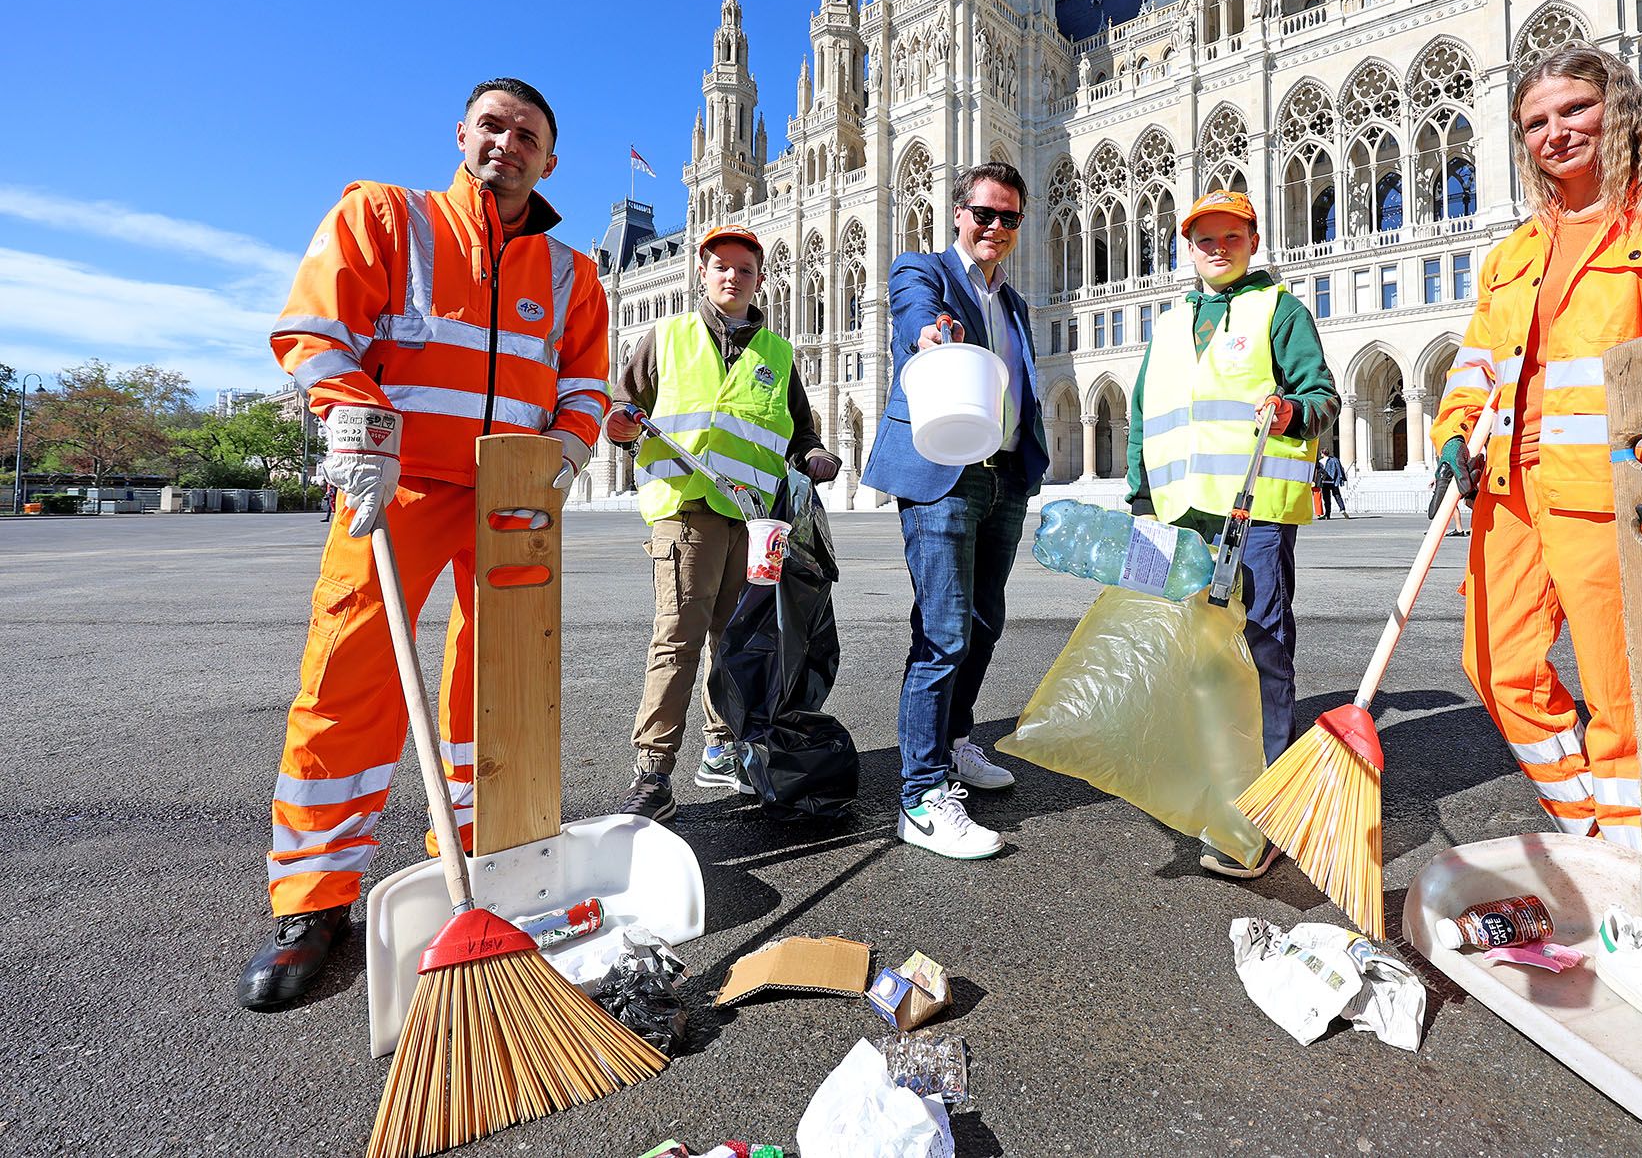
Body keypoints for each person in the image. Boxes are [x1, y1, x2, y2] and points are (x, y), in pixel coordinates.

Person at [240, 79, 610, 1011]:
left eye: (528, 134)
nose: (508, 144)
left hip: (508, 493)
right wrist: (356, 419)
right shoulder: (387, 218)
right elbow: (315, 330)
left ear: (549, 160)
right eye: (493, 125)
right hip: (396, 483)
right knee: (350, 680)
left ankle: (486, 856)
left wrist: (567, 444)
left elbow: (586, 380)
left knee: (501, 688)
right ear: (462, 134)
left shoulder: (572, 273)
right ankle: (316, 901)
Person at [1429, 44, 1642, 851]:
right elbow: (1476, 365)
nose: (1556, 131)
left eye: (1574, 108)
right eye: (1536, 121)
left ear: (1617, 108)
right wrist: (1451, 433)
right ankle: (1590, 828)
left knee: (1624, 689)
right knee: (1499, 670)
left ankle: (1632, 858)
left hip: (1616, 487)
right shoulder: (1514, 251)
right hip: (1509, 488)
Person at [1126, 190, 1338, 878]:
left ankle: (1270, 802)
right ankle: (1221, 782)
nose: (1217, 247)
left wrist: (1290, 411)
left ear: (1252, 238)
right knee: (1202, 657)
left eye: (1231, 236)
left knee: (1264, 648)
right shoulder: (1167, 325)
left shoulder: (1280, 309)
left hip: (1257, 514)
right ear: (1187, 247)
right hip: (1182, 516)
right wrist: (1140, 499)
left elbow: (1322, 396)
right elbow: (1144, 418)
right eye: (1203, 238)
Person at [603, 224, 841, 820]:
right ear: (702, 274)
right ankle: (653, 772)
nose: (733, 276)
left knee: (734, 642)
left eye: (745, 268)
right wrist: (620, 426)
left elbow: (799, 430)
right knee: (677, 639)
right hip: (686, 509)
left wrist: (813, 456)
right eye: (721, 267)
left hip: (751, 519)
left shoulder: (778, 354)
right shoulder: (668, 336)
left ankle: (722, 747)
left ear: (761, 279)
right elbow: (621, 403)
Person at [863, 160, 1049, 860]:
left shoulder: (1016, 303)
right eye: (984, 214)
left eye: (1009, 218)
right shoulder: (924, 271)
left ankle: (955, 740)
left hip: (1001, 475)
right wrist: (929, 336)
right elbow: (915, 313)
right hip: (942, 473)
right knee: (942, 631)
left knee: (982, 621)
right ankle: (920, 794)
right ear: (958, 214)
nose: (995, 228)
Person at [1315, 450, 1350, 519]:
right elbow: (1339, 469)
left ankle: (1327, 514)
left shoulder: (1321, 461)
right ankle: (1342, 509)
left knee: (1327, 499)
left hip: (1325, 482)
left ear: (1322, 454)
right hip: (1333, 482)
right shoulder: (1334, 460)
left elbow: (1319, 471)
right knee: (1337, 496)